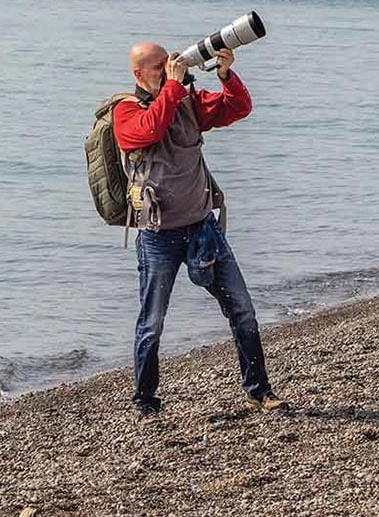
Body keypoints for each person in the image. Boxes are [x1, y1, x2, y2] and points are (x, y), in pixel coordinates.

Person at [114, 42, 285, 422]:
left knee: (242, 309)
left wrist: (225, 75)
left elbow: (237, 108)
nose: (170, 69)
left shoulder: (187, 102)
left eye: (170, 62)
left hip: (202, 228)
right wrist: (172, 88)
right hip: (158, 236)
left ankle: (259, 391)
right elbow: (150, 129)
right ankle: (146, 401)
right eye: (159, 67)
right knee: (152, 322)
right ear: (138, 75)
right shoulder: (125, 111)